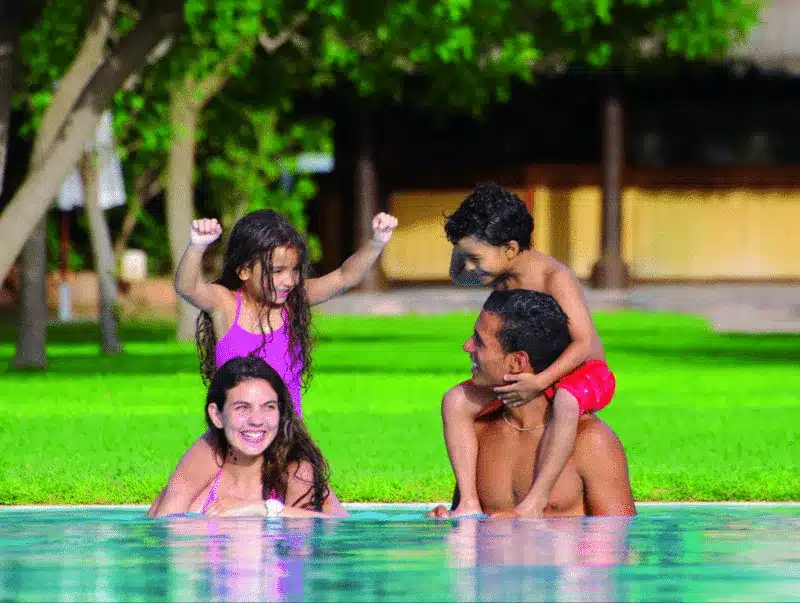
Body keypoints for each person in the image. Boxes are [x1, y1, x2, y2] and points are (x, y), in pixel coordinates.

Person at [153, 209, 397, 513]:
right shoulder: (226, 305)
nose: (289, 280)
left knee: (332, 517)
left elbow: (345, 276)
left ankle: (266, 509)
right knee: (166, 507)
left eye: (294, 270)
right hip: (230, 434)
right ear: (244, 271)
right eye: (277, 271)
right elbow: (187, 287)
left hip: (286, 435)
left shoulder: (294, 303)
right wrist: (197, 246)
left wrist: (377, 242)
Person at [441, 183, 617, 517]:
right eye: (466, 257)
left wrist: (541, 382)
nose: (470, 267)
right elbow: (457, 276)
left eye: (474, 258)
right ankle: (468, 502)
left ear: (509, 248)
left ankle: (534, 501)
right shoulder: (496, 272)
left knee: (565, 400)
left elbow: (582, 343)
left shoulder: (554, 277)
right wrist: (460, 240)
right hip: (528, 372)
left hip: (582, 373)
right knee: (455, 400)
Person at [430, 290, 635, 518]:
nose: (467, 346)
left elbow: (618, 542)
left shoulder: (591, 443)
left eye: (480, 341)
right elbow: (470, 531)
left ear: (518, 362)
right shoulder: (478, 432)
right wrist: (448, 522)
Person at [149, 356, 348, 518]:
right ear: (217, 415)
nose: (257, 420)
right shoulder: (206, 454)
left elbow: (337, 527)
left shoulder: (295, 470)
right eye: (243, 408)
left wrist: (264, 509)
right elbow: (160, 528)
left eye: (268, 407)